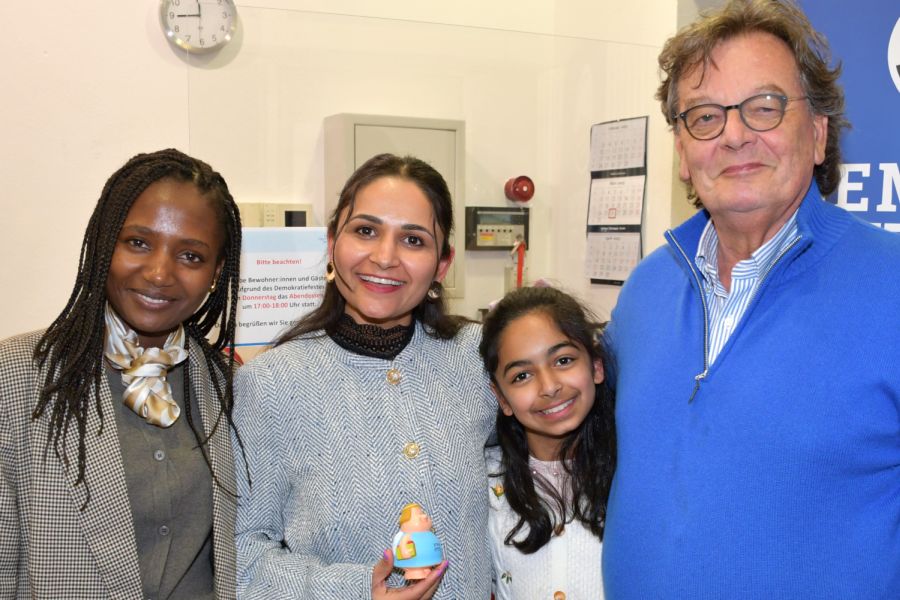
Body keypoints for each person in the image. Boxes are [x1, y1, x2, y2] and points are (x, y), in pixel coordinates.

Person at [602, 0, 900, 598]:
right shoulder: (645, 290)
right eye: (705, 117)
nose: (734, 136)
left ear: (817, 134)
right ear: (682, 153)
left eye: (764, 107)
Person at [232, 153, 495, 599]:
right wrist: (354, 590)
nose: (385, 257)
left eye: (413, 240)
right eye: (365, 231)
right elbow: (241, 553)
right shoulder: (271, 383)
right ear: (332, 241)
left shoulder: (478, 357)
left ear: (442, 264)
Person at [0, 149, 244, 599]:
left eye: (191, 256)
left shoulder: (228, 383)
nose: (159, 273)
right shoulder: (16, 375)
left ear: (216, 272)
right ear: (103, 242)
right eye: (138, 243)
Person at [479, 286, 615, 600]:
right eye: (522, 376)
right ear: (502, 398)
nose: (549, 386)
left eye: (563, 360)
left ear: (596, 366)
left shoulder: (634, 474)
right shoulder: (485, 482)